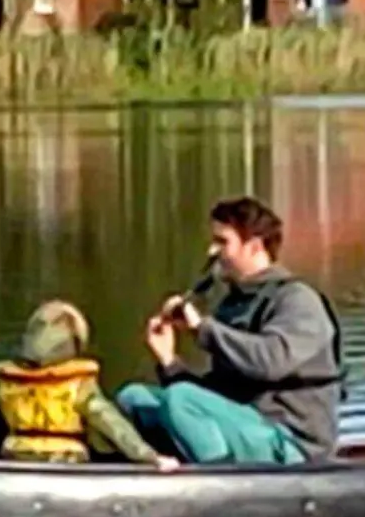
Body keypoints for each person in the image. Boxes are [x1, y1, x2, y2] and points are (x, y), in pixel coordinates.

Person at [118, 197, 343, 468]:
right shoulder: (233, 305)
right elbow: (219, 395)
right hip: (245, 424)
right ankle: (169, 469)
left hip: (293, 442)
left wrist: (202, 329)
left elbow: (270, 362)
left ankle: (220, 485)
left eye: (223, 242)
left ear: (255, 247)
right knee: (134, 398)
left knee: (181, 400)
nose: (212, 251)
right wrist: (169, 362)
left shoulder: (297, 301)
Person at [0, 299, 165, 464]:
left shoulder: (12, 385)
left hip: (15, 457)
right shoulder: (78, 385)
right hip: (67, 461)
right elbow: (110, 422)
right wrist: (148, 456)